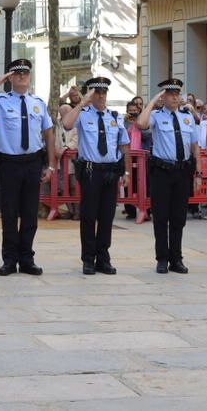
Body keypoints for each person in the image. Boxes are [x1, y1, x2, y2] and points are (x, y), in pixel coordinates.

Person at [0, 59, 55, 276]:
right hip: (9, 162)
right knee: (9, 213)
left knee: (30, 213)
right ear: (10, 77)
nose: (21, 77)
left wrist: (52, 165)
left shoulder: (38, 102)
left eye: (25, 73)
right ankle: (9, 259)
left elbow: (48, 133)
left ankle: (27, 259)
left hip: (33, 162)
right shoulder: (0, 100)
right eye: (17, 74)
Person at [62, 77, 131, 275]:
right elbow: (67, 124)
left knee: (107, 216)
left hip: (110, 171)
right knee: (89, 216)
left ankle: (103, 258)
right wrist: (83, 102)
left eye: (103, 92)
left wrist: (126, 172)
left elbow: (124, 146)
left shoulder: (115, 116)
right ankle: (88, 259)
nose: (101, 96)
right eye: (96, 92)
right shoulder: (83, 114)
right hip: (91, 171)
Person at [136, 78, 202, 274]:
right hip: (162, 172)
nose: (175, 97)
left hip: (182, 171)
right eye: (170, 94)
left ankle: (177, 258)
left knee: (179, 217)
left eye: (177, 94)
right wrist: (154, 100)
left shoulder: (187, 117)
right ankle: (162, 258)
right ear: (163, 97)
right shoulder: (156, 115)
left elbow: (195, 147)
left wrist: (198, 173)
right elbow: (141, 124)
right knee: (161, 216)